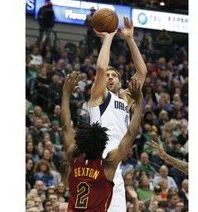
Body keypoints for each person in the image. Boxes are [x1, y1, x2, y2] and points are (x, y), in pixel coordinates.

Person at [88, 16, 147, 212]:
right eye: (108, 76)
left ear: (120, 82)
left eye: (114, 75)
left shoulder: (124, 100)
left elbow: (142, 73)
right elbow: (101, 68)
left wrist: (130, 39)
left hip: (116, 165)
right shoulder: (98, 97)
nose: (110, 77)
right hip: (98, 160)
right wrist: (109, 37)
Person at [61, 71, 143, 211]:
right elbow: (131, 133)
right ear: (103, 145)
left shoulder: (73, 159)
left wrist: (65, 94)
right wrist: (139, 102)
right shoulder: (107, 167)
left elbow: (66, 126)